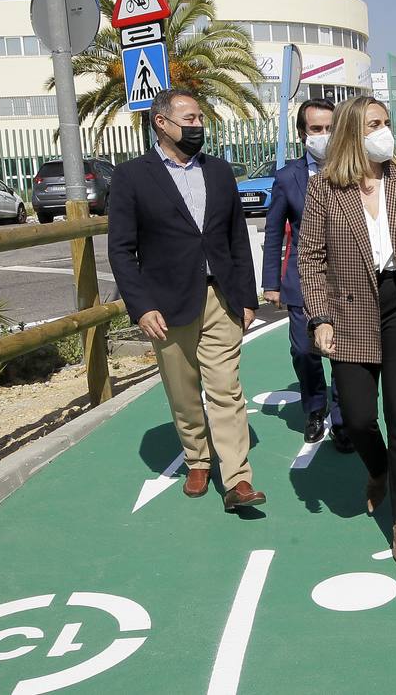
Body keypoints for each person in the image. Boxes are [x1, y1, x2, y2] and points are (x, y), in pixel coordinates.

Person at [297, 96, 396, 568]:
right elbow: (310, 258)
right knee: (358, 418)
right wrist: (319, 317)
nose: (384, 131)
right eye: (373, 125)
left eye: (386, 122)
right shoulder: (325, 189)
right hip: (349, 310)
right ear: (349, 134)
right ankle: (378, 468)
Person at [107, 89, 266, 511]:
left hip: (221, 298)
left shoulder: (219, 171)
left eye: (199, 119)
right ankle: (197, 458)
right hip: (166, 304)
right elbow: (121, 250)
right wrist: (141, 307)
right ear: (162, 123)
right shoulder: (132, 176)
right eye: (190, 119)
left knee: (226, 389)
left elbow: (236, 237)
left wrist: (246, 297)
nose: (198, 126)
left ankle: (237, 479)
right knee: (182, 390)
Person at [261, 98, 351, 451]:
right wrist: (271, 283)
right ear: (302, 134)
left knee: (345, 352)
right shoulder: (287, 178)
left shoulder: (354, 172)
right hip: (301, 280)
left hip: (346, 281)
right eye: (316, 129)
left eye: (330, 128)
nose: (324, 136)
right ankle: (315, 407)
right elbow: (273, 232)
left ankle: (343, 418)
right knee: (304, 350)